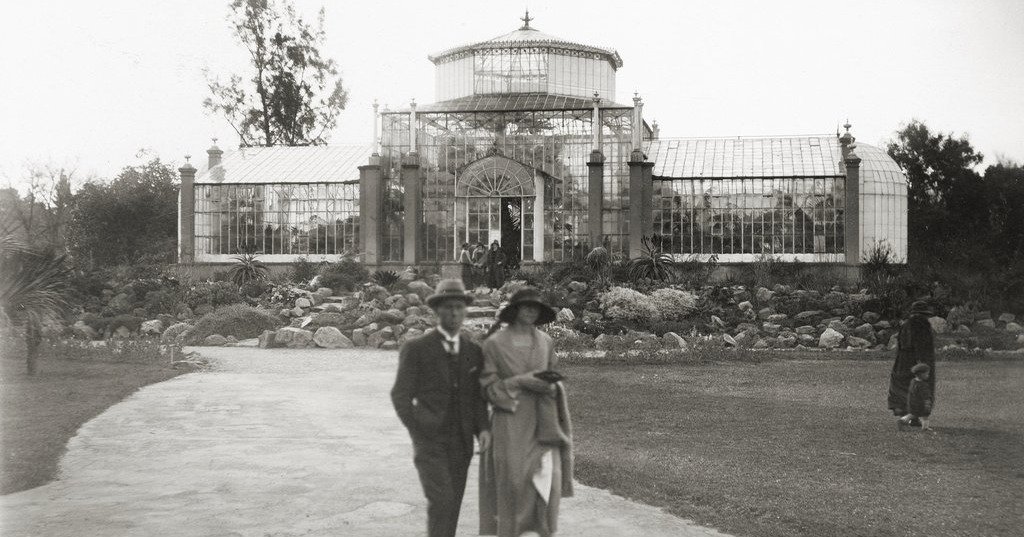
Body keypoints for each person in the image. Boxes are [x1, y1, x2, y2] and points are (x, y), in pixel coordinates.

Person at [390, 279, 492, 537]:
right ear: (437, 311)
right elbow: (400, 395)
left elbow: (478, 397)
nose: (454, 313)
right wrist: (418, 428)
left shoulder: (473, 351)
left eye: (459, 307)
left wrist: (483, 428)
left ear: (465, 310)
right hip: (430, 442)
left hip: (462, 441)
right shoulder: (417, 349)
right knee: (442, 500)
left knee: (453, 503)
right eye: (448, 307)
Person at [479, 287, 573, 537]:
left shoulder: (545, 341)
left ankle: (543, 529)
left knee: (546, 481)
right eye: (526, 306)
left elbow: (552, 374)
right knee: (514, 482)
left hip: (544, 421)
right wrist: (520, 382)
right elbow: (487, 387)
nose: (531, 311)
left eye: (536, 307)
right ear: (515, 310)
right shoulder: (494, 344)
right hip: (511, 421)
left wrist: (552, 387)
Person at [887, 300, 936, 425]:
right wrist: (923, 363)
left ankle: (907, 415)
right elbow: (921, 347)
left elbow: (901, 345)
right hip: (916, 361)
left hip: (902, 363)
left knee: (905, 387)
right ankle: (914, 417)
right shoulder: (922, 325)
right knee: (920, 388)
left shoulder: (906, 325)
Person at [899, 363, 934, 431]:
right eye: (927, 374)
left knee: (913, 414)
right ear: (921, 374)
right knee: (924, 416)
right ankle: (925, 428)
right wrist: (927, 404)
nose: (928, 375)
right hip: (920, 404)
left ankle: (902, 420)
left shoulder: (913, 381)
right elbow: (926, 396)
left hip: (912, 403)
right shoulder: (923, 385)